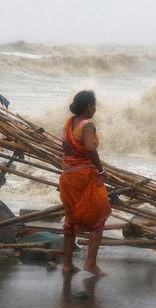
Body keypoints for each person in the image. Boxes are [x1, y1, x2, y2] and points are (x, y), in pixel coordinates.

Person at [59, 90, 111, 276]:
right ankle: (90, 263)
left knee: (70, 219)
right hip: (84, 177)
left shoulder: (68, 124)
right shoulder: (87, 125)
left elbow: (66, 149)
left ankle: (67, 265)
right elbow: (89, 148)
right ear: (89, 106)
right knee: (99, 215)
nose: (95, 109)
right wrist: (101, 169)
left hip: (67, 177)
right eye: (94, 105)